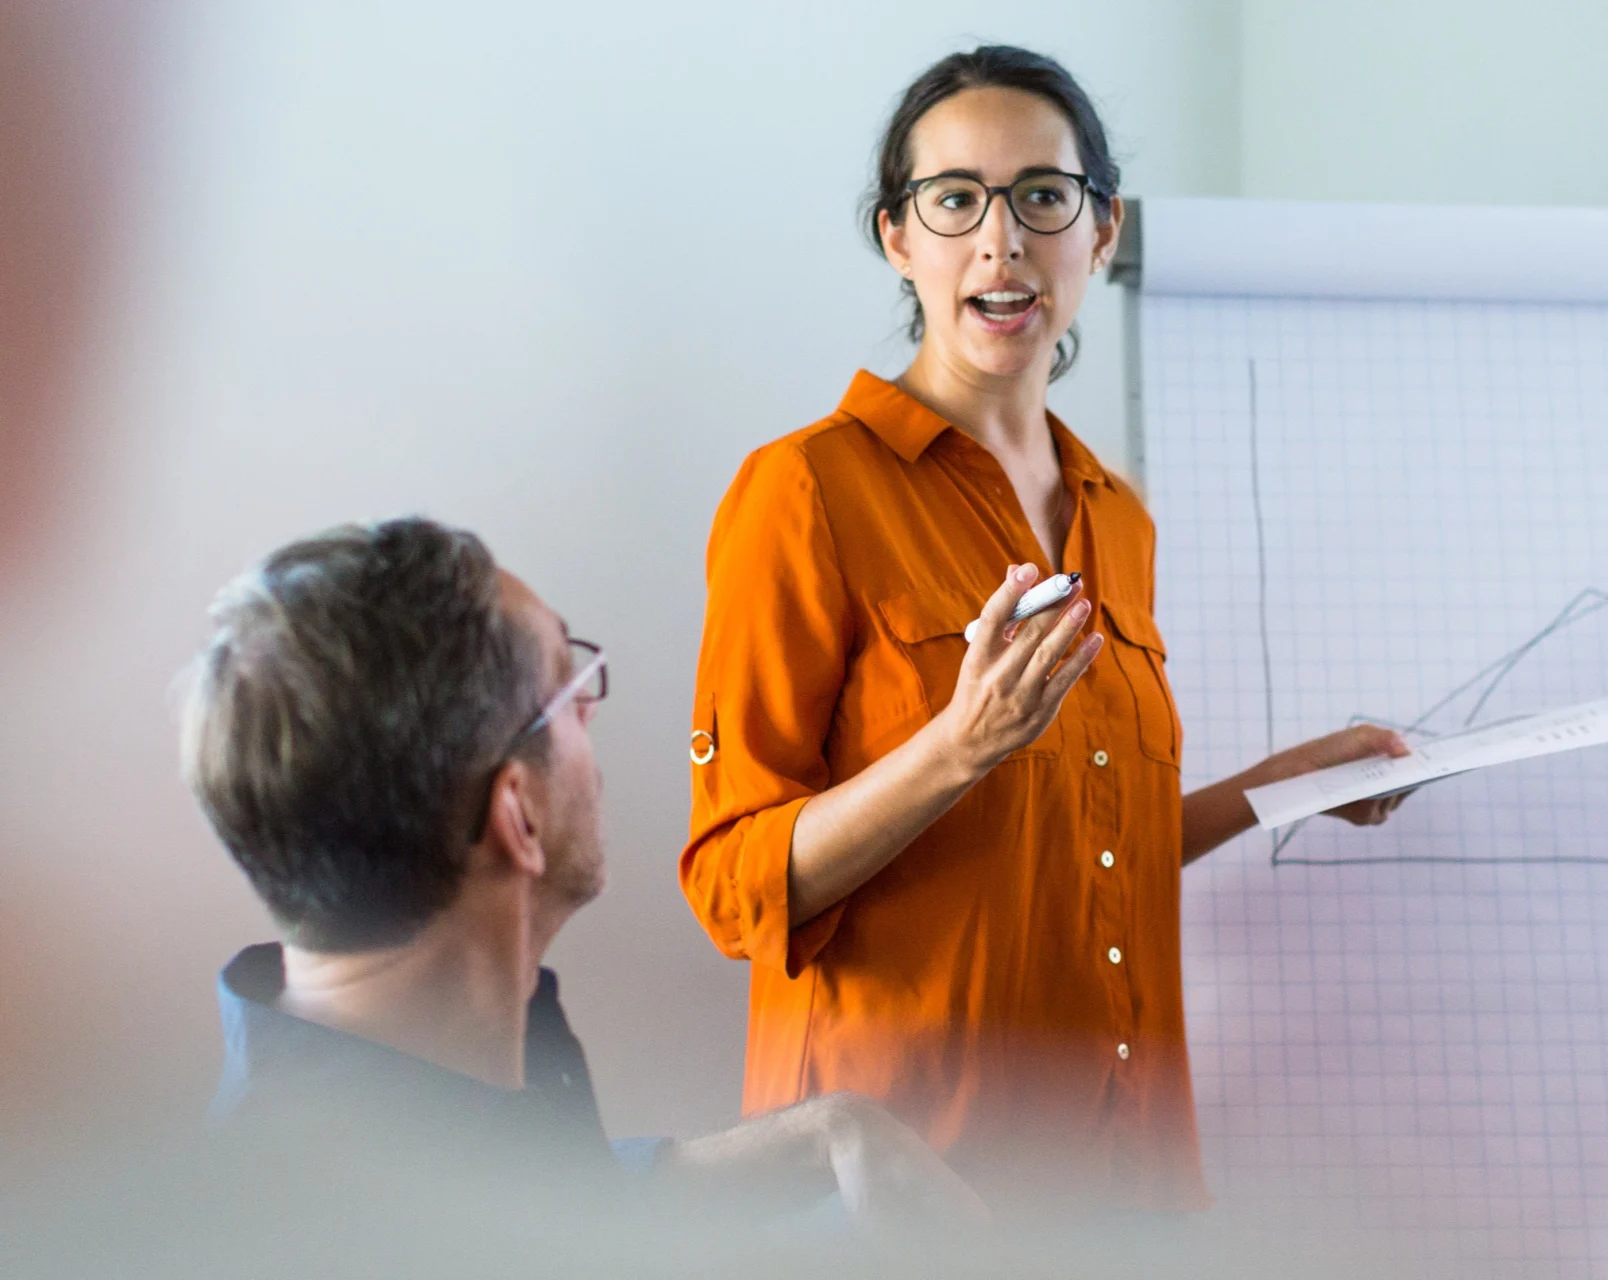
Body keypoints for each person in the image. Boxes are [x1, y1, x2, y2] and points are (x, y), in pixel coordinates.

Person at [680, 44, 1412, 1218]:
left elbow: (1085, 849)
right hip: (906, 1186)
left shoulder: (1117, 514)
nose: (1001, 239)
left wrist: (1286, 783)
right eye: (955, 198)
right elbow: (731, 887)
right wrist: (961, 743)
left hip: (1124, 1176)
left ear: (1101, 231)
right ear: (898, 239)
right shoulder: (805, 491)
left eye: (1042, 197)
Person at [176, 516, 987, 1239]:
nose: (592, 712)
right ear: (517, 814)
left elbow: (549, 1192)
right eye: (568, 688)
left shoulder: (429, 1080)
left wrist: (826, 1133)